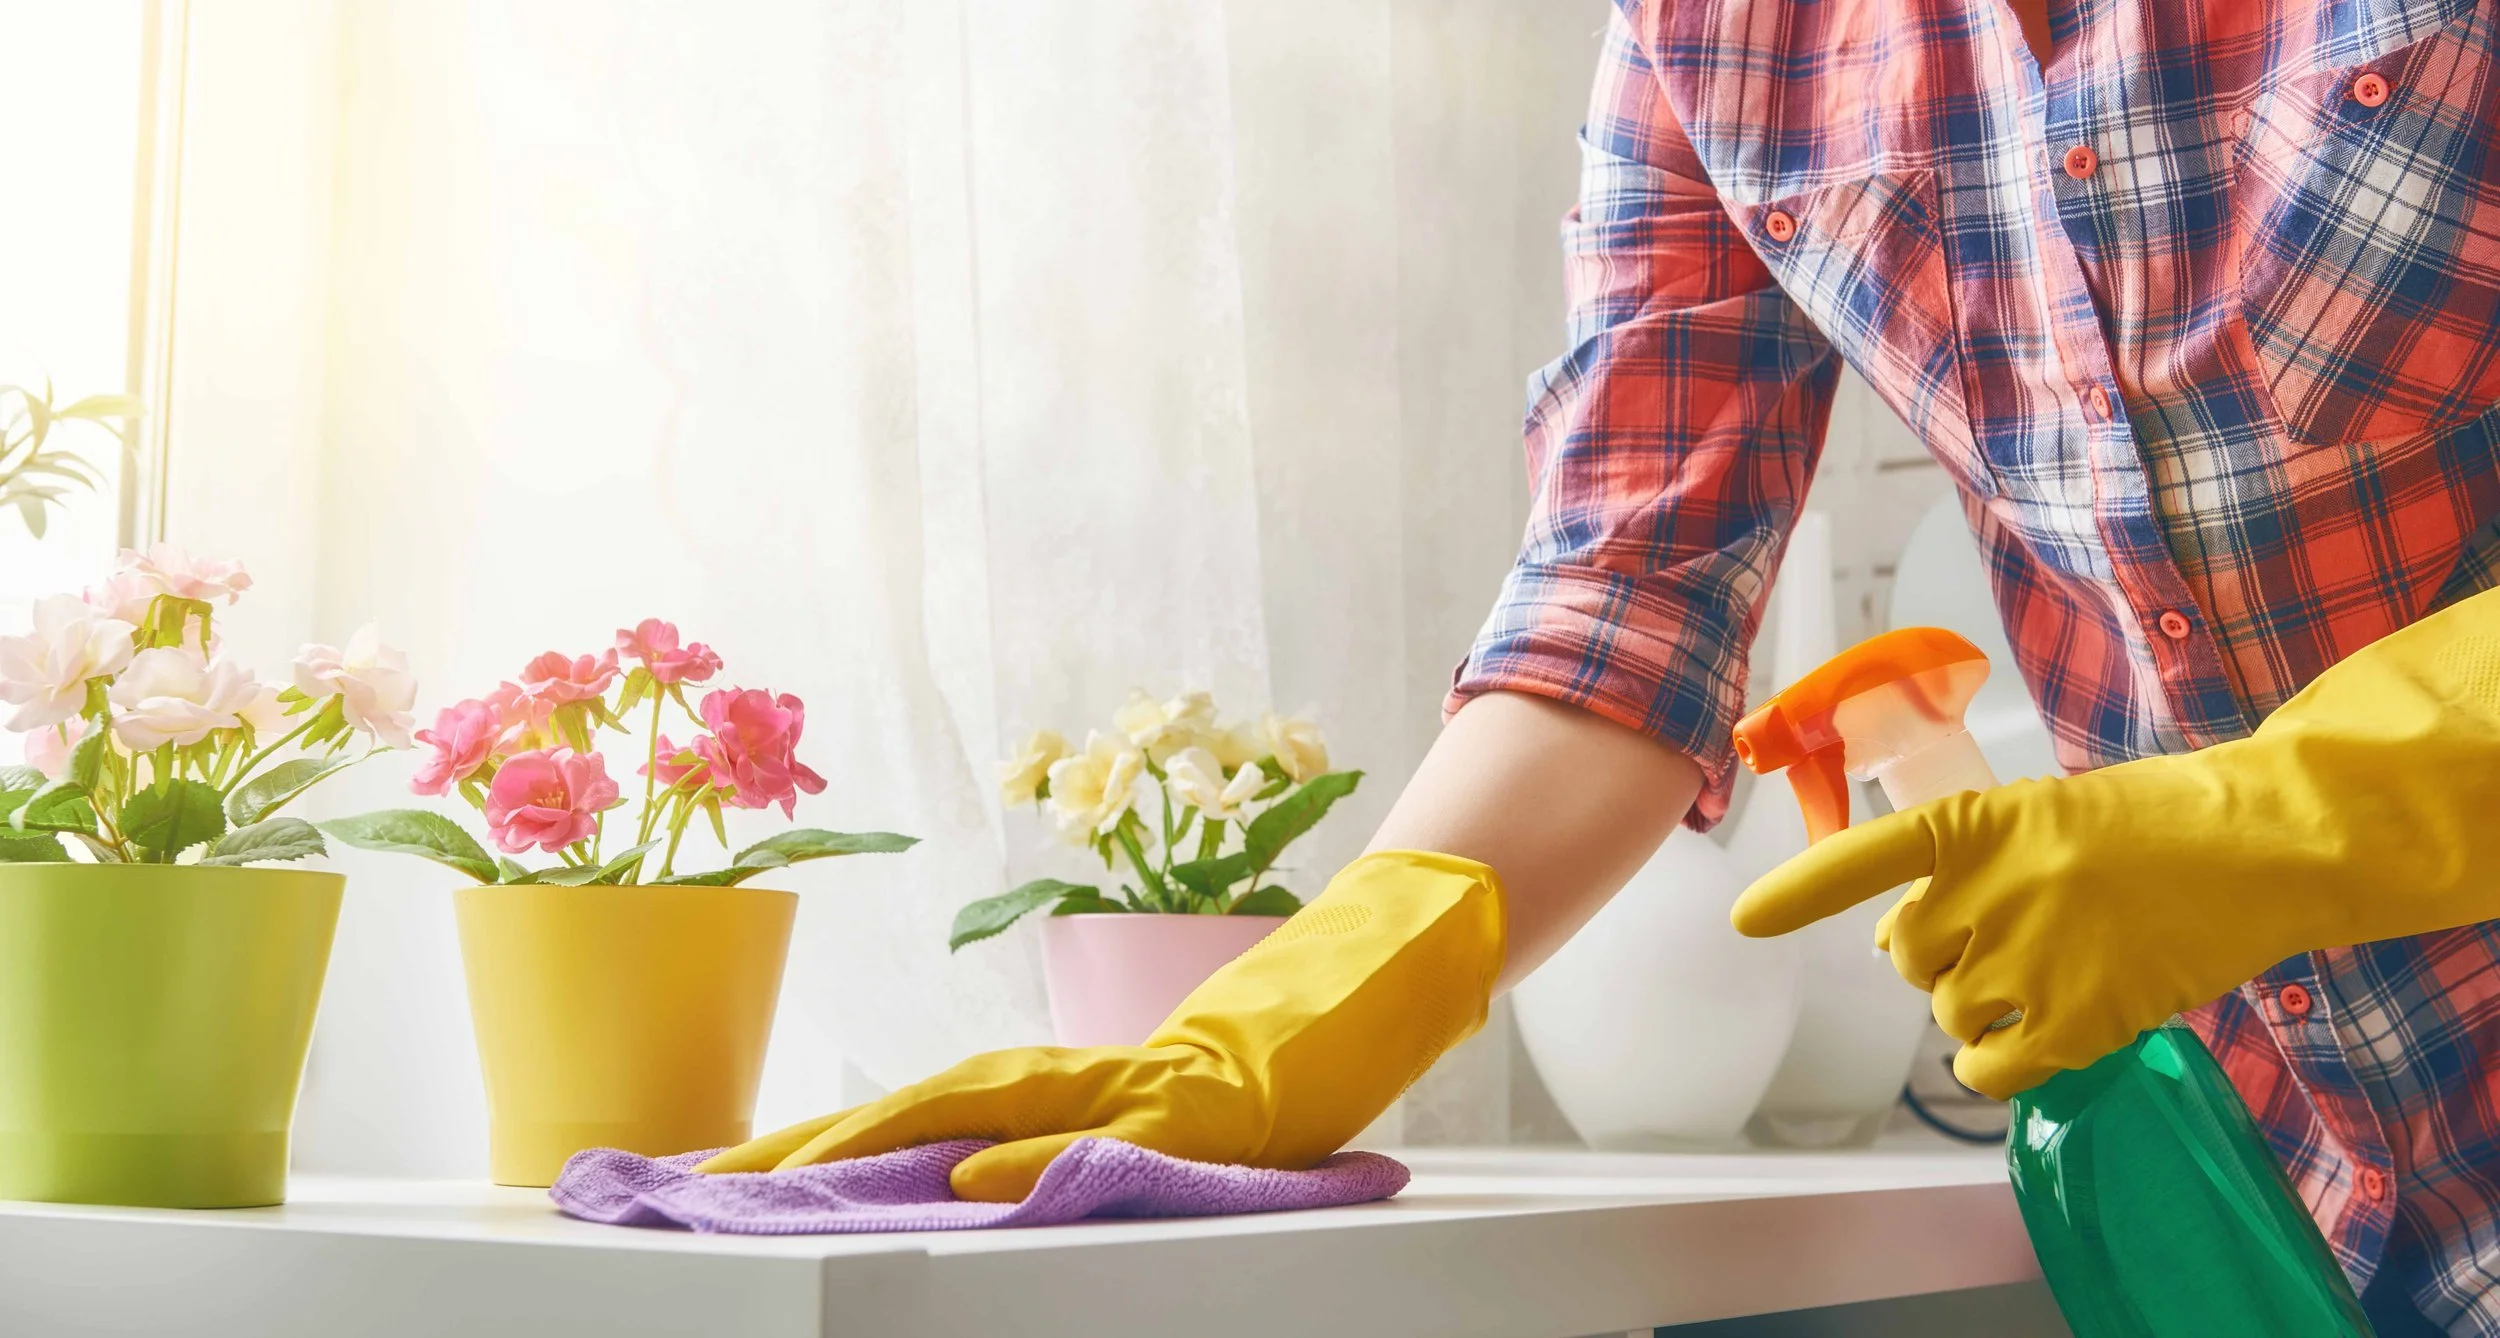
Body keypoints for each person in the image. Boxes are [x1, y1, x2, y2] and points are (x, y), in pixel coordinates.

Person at [708, 0, 2500, 1330]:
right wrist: (1305, 1008)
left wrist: (2278, 820)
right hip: (2281, 1224)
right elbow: (1629, 590)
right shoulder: (1715, 32)